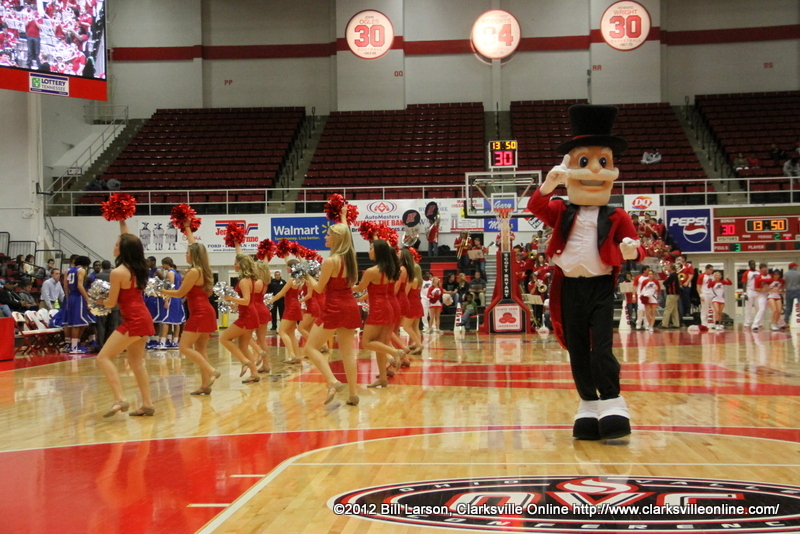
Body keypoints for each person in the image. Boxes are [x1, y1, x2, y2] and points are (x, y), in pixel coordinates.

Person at [526, 104, 643, 441]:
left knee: (601, 348)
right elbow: (535, 206)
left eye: (603, 162)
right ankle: (589, 403)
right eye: (584, 162)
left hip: (600, 287)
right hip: (569, 288)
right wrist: (549, 183)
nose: (593, 170)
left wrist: (631, 250)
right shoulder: (560, 209)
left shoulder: (617, 215)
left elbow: (636, 246)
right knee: (576, 349)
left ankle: (612, 400)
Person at [95, 220, 157, 418]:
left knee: (103, 357)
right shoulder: (139, 268)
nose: (114, 247)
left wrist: (99, 300)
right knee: (137, 362)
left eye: (116, 244)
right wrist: (122, 220)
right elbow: (130, 240)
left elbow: (111, 303)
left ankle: (120, 399)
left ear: (123, 249)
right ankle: (147, 404)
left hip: (133, 320)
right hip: (143, 317)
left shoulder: (118, 272)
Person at [303, 222, 362, 406]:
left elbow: (319, 288)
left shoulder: (330, 261)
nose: (325, 237)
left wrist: (307, 276)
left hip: (334, 307)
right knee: (348, 353)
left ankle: (332, 381)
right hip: (350, 306)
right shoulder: (350, 259)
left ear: (336, 238)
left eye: (328, 234)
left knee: (310, 348)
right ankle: (353, 394)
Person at [160, 222, 221, 395]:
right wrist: (187, 228)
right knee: (200, 349)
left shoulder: (194, 272)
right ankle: (205, 385)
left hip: (200, 313)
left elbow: (180, 293)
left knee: (184, 347)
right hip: (205, 311)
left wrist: (161, 291)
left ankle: (211, 370)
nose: (185, 255)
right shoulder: (203, 269)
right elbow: (194, 245)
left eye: (187, 252)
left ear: (193, 255)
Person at [352, 239, 405, 389]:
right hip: (388, 307)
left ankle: (395, 352)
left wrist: (344, 287)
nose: (368, 251)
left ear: (378, 252)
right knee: (380, 344)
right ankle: (382, 378)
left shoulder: (372, 271)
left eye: (371, 248)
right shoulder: (391, 269)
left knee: (366, 343)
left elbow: (359, 288)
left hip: (378, 308)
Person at [220, 253, 261, 383]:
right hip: (250, 313)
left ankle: (244, 361)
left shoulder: (243, 281)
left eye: (235, 263)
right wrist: (235, 303)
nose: (234, 265)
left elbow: (246, 300)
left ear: (241, 265)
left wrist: (230, 298)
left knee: (224, 339)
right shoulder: (249, 280)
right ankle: (254, 374)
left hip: (247, 315)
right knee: (243, 346)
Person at [273, 259, 304, 364]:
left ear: (291, 268)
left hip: (291, 306)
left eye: (287, 266)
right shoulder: (298, 279)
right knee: (291, 333)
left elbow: (281, 293)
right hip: (294, 305)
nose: (286, 268)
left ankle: (291, 355)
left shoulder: (291, 279)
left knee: (282, 331)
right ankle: (297, 356)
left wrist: (270, 301)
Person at [63, 255, 95, 354]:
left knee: (75, 323)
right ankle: (74, 347)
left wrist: (68, 298)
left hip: (71, 296)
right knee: (77, 323)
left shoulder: (68, 270)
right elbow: (80, 286)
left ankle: (73, 345)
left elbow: (65, 286)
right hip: (78, 297)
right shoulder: (81, 270)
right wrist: (88, 298)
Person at [154, 257, 185, 349]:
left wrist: (166, 300)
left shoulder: (170, 273)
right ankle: (175, 341)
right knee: (177, 321)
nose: (162, 266)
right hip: (178, 298)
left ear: (166, 264)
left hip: (172, 298)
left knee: (165, 321)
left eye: (163, 264)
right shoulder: (178, 274)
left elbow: (170, 287)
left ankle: (162, 342)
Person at [398, 248, 422, 358]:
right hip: (417, 303)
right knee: (415, 327)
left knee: (406, 327)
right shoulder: (420, 281)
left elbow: (405, 293)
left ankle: (419, 344)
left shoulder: (412, 281)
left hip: (411, 304)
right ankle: (417, 344)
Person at [93, 260, 121, 349]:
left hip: (102, 303)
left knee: (101, 325)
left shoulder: (98, 276)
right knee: (113, 326)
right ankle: (112, 346)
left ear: (102, 267)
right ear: (110, 266)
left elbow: (95, 290)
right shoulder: (116, 275)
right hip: (114, 303)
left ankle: (100, 345)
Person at [750, 263, 771, 331]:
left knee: (775, 309)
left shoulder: (770, 276)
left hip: (770, 294)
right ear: (760, 269)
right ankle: (755, 324)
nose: (765, 269)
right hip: (761, 295)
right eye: (763, 268)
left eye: (765, 267)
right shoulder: (758, 277)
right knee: (762, 309)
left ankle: (780, 324)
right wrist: (762, 290)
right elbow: (755, 288)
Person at [661, 264, 681, 329]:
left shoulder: (672, 275)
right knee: (674, 309)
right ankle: (676, 323)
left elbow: (665, 282)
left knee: (668, 309)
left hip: (671, 293)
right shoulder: (675, 275)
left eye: (668, 267)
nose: (667, 268)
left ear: (671, 268)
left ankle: (664, 324)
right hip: (675, 294)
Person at [742, 260, 759, 328]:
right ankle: (747, 322)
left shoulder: (758, 272)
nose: (753, 265)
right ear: (749, 265)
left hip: (757, 291)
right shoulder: (746, 273)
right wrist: (745, 293)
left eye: (754, 264)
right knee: (748, 308)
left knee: (758, 307)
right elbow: (744, 283)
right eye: (751, 264)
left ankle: (758, 322)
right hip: (749, 291)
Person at [783, 262, 800, 326]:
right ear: (793, 267)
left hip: (789, 291)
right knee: (798, 305)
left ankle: (786, 321)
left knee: (788, 306)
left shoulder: (786, 274)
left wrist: (783, 289)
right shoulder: (798, 273)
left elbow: (783, 282)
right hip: (797, 291)